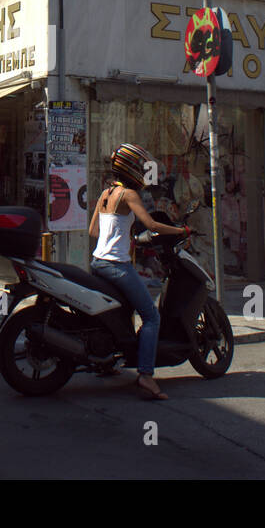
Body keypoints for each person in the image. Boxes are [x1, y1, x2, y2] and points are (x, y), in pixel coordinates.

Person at [88, 143, 189, 401]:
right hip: (116, 266)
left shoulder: (106, 194)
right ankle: (145, 374)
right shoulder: (129, 195)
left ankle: (110, 361)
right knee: (151, 316)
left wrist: (123, 236)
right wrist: (180, 231)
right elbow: (152, 224)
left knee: (121, 311)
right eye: (141, 168)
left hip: (98, 262)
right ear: (131, 169)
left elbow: (94, 233)